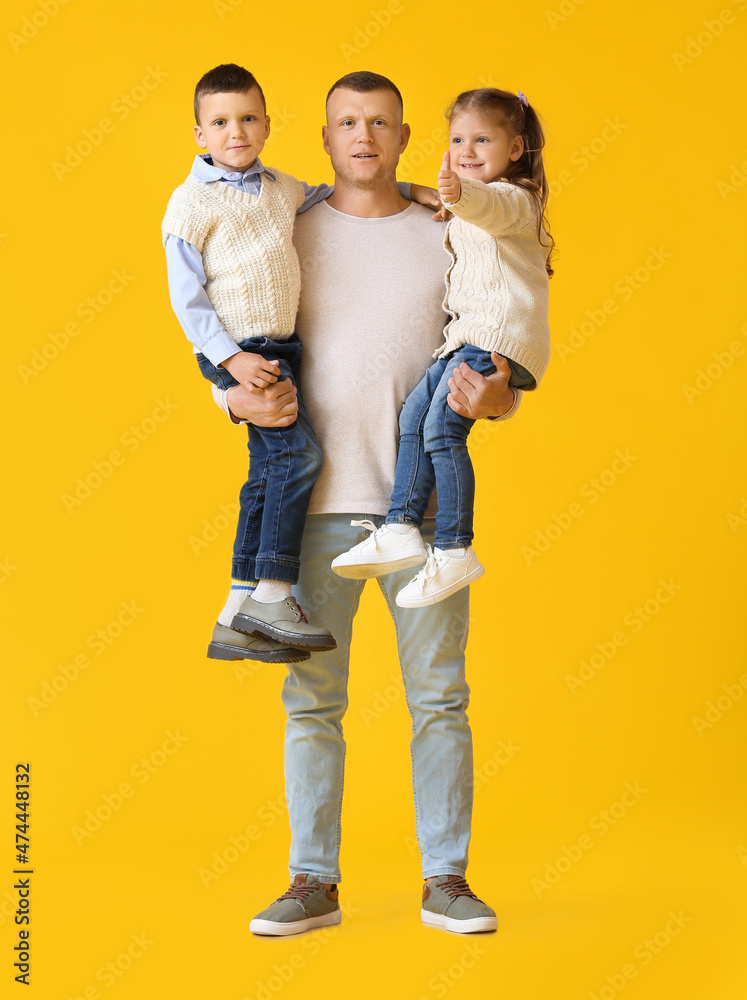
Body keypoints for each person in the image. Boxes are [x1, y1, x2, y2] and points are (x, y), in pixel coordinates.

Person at [212, 72, 521, 936]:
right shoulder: (288, 227)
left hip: (421, 514)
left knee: (440, 700)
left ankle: (447, 880)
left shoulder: (448, 230)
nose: (363, 136)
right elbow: (242, 335)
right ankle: (312, 880)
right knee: (310, 704)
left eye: (379, 122)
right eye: (347, 121)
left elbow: (494, 360)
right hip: (308, 516)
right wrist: (231, 400)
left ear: (403, 133)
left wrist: (489, 397)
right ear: (322, 136)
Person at [162, 64, 423, 662]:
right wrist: (229, 371)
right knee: (297, 456)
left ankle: (235, 606)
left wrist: (416, 191)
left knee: (266, 473)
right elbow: (186, 300)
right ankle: (274, 591)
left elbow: (341, 192)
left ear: (268, 125)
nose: (236, 132)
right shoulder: (189, 205)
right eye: (221, 122)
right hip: (242, 351)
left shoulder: (284, 192)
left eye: (248, 118)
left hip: (284, 353)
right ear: (199, 134)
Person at [332, 88, 553, 608]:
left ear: (515, 149)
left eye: (483, 139)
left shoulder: (515, 201)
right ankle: (402, 525)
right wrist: (423, 191)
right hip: (467, 338)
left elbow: (488, 204)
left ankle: (455, 547)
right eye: (457, 139)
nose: (468, 149)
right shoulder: (465, 205)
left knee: (442, 428)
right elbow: (465, 206)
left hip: (497, 337)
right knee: (415, 413)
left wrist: (455, 193)